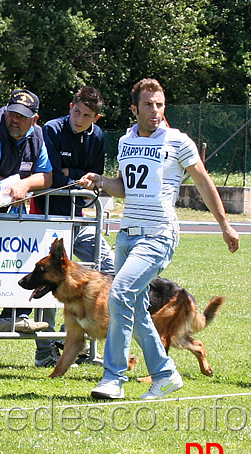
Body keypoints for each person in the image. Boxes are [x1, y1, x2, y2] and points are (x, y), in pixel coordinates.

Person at [80, 78, 239, 400]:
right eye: (149, 105)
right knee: (135, 308)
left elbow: (204, 182)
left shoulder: (178, 141)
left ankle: (113, 377)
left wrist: (224, 224)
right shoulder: (126, 142)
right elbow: (125, 188)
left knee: (120, 294)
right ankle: (165, 374)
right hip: (127, 235)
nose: (155, 111)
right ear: (134, 108)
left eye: (160, 105)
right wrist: (99, 181)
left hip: (159, 234)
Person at [32, 86, 116, 368]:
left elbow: (96, 178)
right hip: (47, 217)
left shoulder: (98, 137)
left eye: (87, 115)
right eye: (76, 111)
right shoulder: (52, 130)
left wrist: (76, 175)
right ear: (70, 106)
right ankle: (46, 352)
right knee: (50, 281)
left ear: (97, 117)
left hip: (79, 216)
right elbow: (55, 177)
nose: (79, 119)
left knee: (109, 265)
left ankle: (103, 341)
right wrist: (76, 176)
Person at [0, 89, 53, 333]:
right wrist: (14, 187)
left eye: (22, 116)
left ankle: (15, 316)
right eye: (12, 114)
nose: (14, 120)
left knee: (25, 262)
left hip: (10, 219)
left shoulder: (38, 136)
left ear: (35, 119)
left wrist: (26, 184)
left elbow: (47, 176)